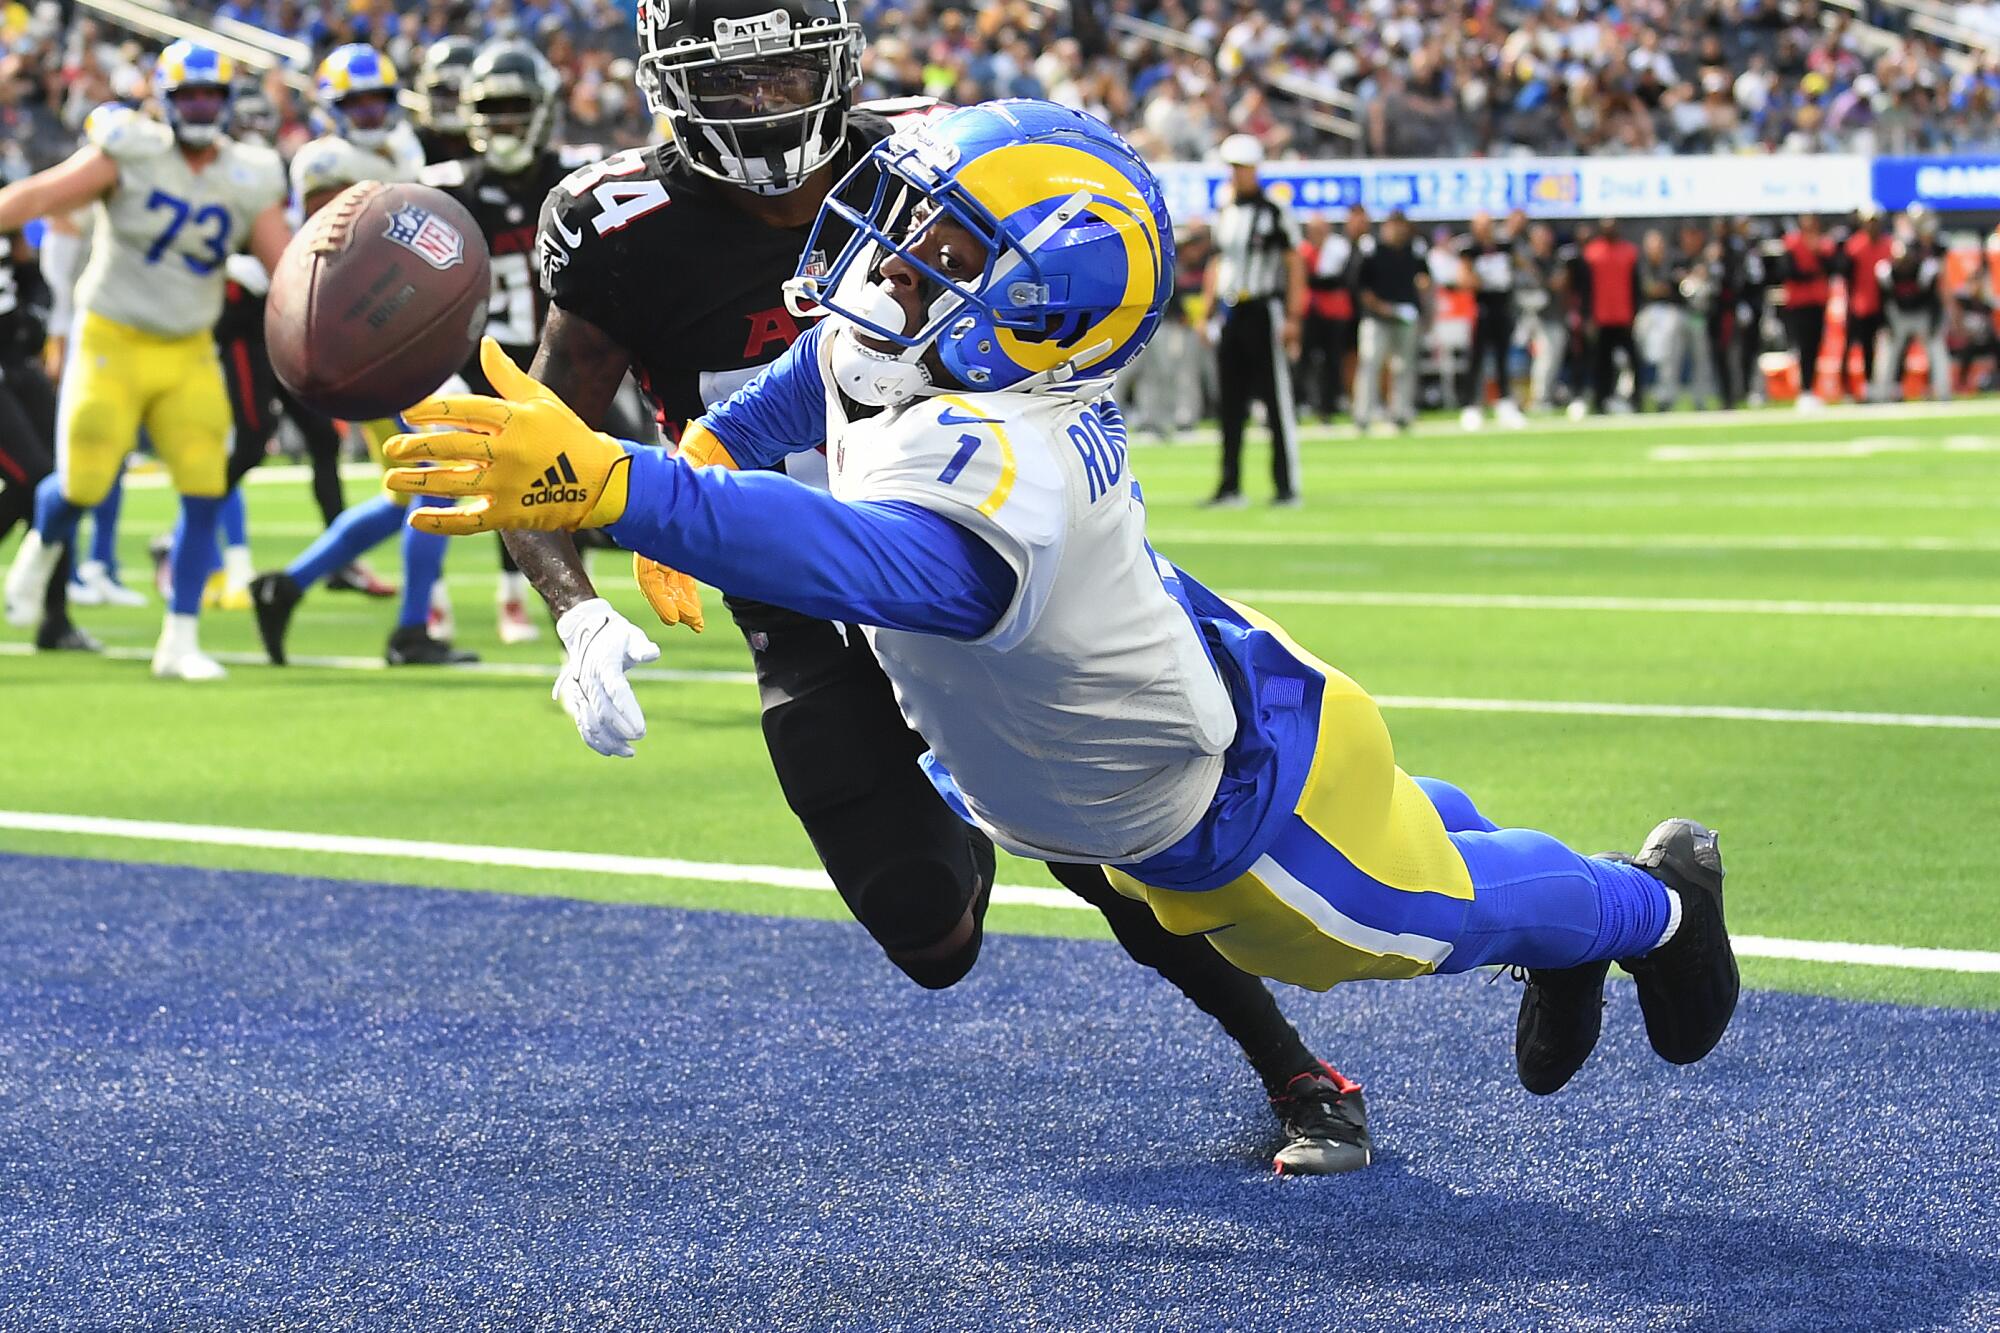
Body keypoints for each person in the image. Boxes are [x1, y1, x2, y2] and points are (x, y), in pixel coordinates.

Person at [386, 99, 1741, 1105]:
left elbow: (869, 564)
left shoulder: (1008, 456)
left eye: (942, 245)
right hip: (1181, 683)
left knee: (1408, 919)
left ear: (1043, 302)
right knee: (1414, 828)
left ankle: (1650, 908)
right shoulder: (927, 344)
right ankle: (1558, 909)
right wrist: (707, 452)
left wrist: (626, 490)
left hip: (1211, 799)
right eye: (913, 226)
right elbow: (813, 386)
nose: (894, 259)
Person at [484, 6, 1371, 1175]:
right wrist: (575, 608)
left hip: (973, 566)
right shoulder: (617, 226)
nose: (766, 100)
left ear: (841, 58)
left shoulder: (938, 154)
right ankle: (970, 805)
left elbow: (1086, 307)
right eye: (733, 78)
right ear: (669, 85)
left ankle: (1298, 1069)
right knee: (930, 935)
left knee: (1121, 858)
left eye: (788, 66)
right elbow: (536, 444)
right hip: (797, 597)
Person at [0, 42, 290, 679]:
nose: (201, 106)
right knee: (83, 480)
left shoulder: (251, 171)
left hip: (188, 348)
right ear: (165, 99)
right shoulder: (130, 149)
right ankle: (42, 548)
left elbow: (286, 267)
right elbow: (38, 197)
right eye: (189, 95)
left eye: (211, 94)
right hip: (113, 339)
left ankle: (179, 640)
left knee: (205, 486)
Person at [246, 43, 476, 667]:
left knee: (407, 495)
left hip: (395, 326)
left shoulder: (398, 148)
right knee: (438, 481)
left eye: (379, 98)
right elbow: (343, 257)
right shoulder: (325, 160)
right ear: (331, 106)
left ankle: (284, 587)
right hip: (367, 334)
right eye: (358, 102)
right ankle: (409, 632)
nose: (372, 112)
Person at [0, 224, 96, 651]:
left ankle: (56, 617)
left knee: (62, 481)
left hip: (16, 357)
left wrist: (34, 309)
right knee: (35, 478)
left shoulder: (5, 193)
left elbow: (25, 267)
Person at [1200, 133, 1304, 508]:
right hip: (1232, 310)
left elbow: (1294, 264)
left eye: (1240, 168)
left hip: (1264, 309)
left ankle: (1286, 485)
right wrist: (1207, 311)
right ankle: (1230, 486)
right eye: (1231, 168)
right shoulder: (1224, 210)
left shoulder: (1274, 212)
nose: (1235, 175)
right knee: (1230, 403)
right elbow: (1217, 262)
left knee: (1276, 402)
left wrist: (1294, 316)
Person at [1349, 209, 1426, 433]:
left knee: (1403, 366)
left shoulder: (1414, 249)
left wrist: (1422, 290)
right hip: (1377, 316)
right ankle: (1362, 415)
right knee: (1370, 363)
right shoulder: (1372, 248)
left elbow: (1423, 277)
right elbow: (1360, 286)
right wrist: (1380, 307)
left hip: (1405, 315)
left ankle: (1400, 413)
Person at [1874, 208, 1952, 403]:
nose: (1904, 263)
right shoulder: (1886, 272)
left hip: (1922, 314)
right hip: (1898, 315)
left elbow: (1932, 298)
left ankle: (1943, 393)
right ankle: (1880, 395)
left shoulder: (1926, 268)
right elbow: (1885, 299)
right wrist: (1887, 323)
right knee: (1889, 353)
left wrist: (1934, 323)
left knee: (1936, 348)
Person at [1456, 210, 1524, 429]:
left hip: (1502, 307)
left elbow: (1519, 266)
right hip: (1481, 308)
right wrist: (1483, 281)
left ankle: (1504, 403)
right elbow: (1463, 278)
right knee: (1476, 358)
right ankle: (1471, 405)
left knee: (1503, 358)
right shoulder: (1469, 249)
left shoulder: (1504, 245)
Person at [1297, 206, 1364, 422]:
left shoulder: (1338, 247)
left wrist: (1318, 282)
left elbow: (1341, 278)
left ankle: (1328, 407)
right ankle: (1299, 403)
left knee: (1332, 361)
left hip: (1335, 311)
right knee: (1304, 360)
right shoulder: (1303, 250)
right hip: (1310, 310)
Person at [1578, 218, 1639, 416]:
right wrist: (1587, 316)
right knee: (1601, 363)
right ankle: (1601, 400)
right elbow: (1586, 289)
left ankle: (1636, 399)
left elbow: (1635, 286)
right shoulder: (1592, 253)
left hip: (1624, 316)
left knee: (1634, 360)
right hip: (1601, 317)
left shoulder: (1629, 251)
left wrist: (1635, 312)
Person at [1779, 213, 1836, 409]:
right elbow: (1788, 272)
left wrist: (1818, 254)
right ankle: (1804, 390)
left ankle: (1810, 389)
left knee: (1814, 347)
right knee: (1802, 347)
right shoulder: (1792, 244)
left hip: (1817, 303)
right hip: (1798, 304)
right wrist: (1813, 268)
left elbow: (1833, 268)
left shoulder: (1823, 245)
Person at [1515, 222, 1569, 412]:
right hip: (1531, 317)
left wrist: (1540, 276)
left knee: (1554, 357)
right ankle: (1539, 398)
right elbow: (1525, 289)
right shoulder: (1527, 261)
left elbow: (1559, 283)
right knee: (1543, 357)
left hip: (1554, 314)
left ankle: (1547, 394)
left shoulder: (1554, 259)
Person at [1842, 206, 1893, 398]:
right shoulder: (1855, 246)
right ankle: (1855, 388)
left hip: (1884, 305)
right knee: (1858, 347)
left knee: (1889, 346)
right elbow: (1848, 277)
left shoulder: (1887, 245)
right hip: (1860, 303)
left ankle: (1887, 386)